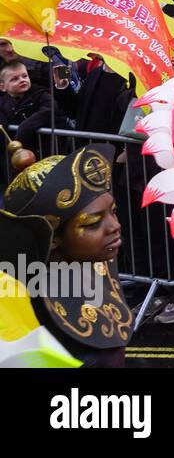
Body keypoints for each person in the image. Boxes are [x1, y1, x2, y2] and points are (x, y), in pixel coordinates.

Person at [0, 145, 132, 367]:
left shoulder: (90, 263)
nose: (115, 226)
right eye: (93, 223)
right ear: (51, 238)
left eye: (114, 211)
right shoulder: (18, 301)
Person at [0, 60, 67, 159]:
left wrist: (23, 129)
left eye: (25, 76)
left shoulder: (42, 94)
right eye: (14, 79)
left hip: (47, 153)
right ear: (2, 87)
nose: (22, 80)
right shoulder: (3, 102)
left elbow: (48, 111)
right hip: (19, 156)